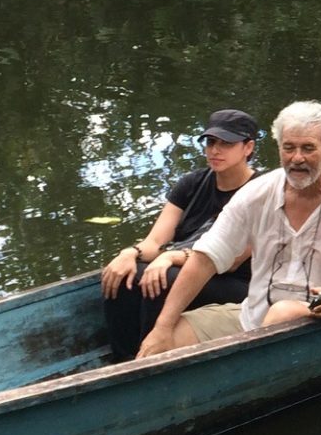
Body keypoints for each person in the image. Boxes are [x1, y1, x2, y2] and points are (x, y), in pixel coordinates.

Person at [136, 100, 321, 356]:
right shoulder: (258, 193)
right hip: (252, 318)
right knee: (164, 339)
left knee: (283, 313)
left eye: (308, 148)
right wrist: (162, 327)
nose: (297, 158)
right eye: (289, 148)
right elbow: (206, 257)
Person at [100, 108, 260, 360]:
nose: (215, 150)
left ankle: (152, 358)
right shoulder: (192, 184)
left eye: (226, 143)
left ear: (248, 147)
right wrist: (129, 253)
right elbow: (155, 241)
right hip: (189, 268)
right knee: (125, 275)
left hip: (236, 283)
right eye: (211, 142)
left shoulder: (260, 192)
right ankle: (123, 360)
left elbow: (230, 260)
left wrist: (171, 257)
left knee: (164, 277)